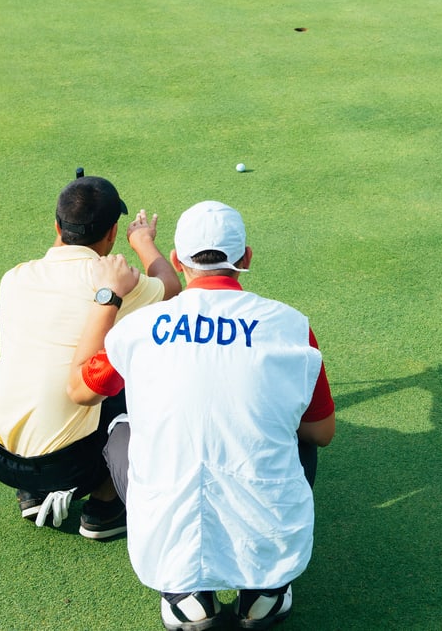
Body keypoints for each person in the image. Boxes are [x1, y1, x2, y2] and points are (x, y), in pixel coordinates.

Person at [67, 201, 335, 630]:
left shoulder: (136, 329)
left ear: (176, 260)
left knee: (119, 431)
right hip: (272, 544)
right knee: (296, 429)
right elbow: (322, 432)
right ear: (245, 259)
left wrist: (108, 296)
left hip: (167, 546)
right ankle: (264, 592)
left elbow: (79, 389)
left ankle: (186, 596)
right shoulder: (291, 326)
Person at [0, 174, 182, 540]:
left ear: (56, 225)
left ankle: (34, 493)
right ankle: (105, 505)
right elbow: (171, 289)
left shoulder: (15, 277)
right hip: (66, 463)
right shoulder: (119, 284)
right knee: (146, 376)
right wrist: (144, 242)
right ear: (113, 233)